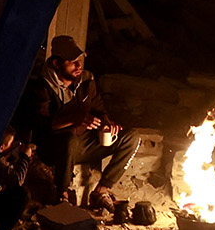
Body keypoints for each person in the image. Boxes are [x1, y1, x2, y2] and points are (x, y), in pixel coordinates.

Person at [18, 35, 138, 212]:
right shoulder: (43, 87)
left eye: (79, 61)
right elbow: (42, 125)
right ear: (57, 64)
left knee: (131, 136)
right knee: (68, 139)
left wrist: (106, 122)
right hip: (55, 146)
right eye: (72, 62)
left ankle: (101, 191)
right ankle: (63, 194)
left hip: (83, 142)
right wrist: (74, 119)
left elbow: (99, 107)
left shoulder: (86, 80)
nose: (78, 66)